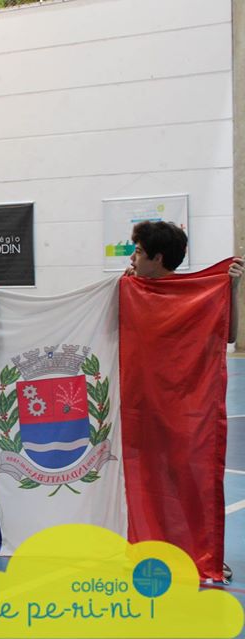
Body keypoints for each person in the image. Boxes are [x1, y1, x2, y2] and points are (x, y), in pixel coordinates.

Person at [126, 220, 243, 583]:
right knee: (140, 480)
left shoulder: (194, 295)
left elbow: (230, 335)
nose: (133, 257)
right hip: (138, 409)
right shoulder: (127, 290)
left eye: (139, 252)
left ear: (158, 258)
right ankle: (146, 545)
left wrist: (231, 288)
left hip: (184, 412)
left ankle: (199, 551)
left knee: (189, 481)